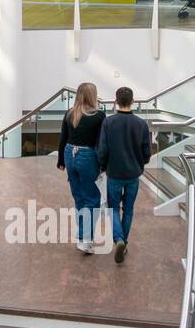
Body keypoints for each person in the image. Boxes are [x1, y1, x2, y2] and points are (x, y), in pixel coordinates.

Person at [97, 86, 151, 264]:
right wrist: (140, 164)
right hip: (133, 174)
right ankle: (123, 243)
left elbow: (103, 149)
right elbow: (146, 153)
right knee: (128, 210)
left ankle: (119, 240)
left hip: (114, 173)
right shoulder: (141, 124)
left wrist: (102, 166)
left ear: (116, 101)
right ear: (133, 102)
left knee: (113, 209)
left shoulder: (108, 122)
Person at [57, 82, 106, 255]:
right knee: (92, 199)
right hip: (87, 156)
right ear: (93, 95)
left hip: (70, 153)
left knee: (79, 198)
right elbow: (102, 143)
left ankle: (81, 236)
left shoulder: (70, 113)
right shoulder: (99, 115)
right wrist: (103, 165)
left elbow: (63, 138)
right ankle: (86, 240)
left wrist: (61, 160)